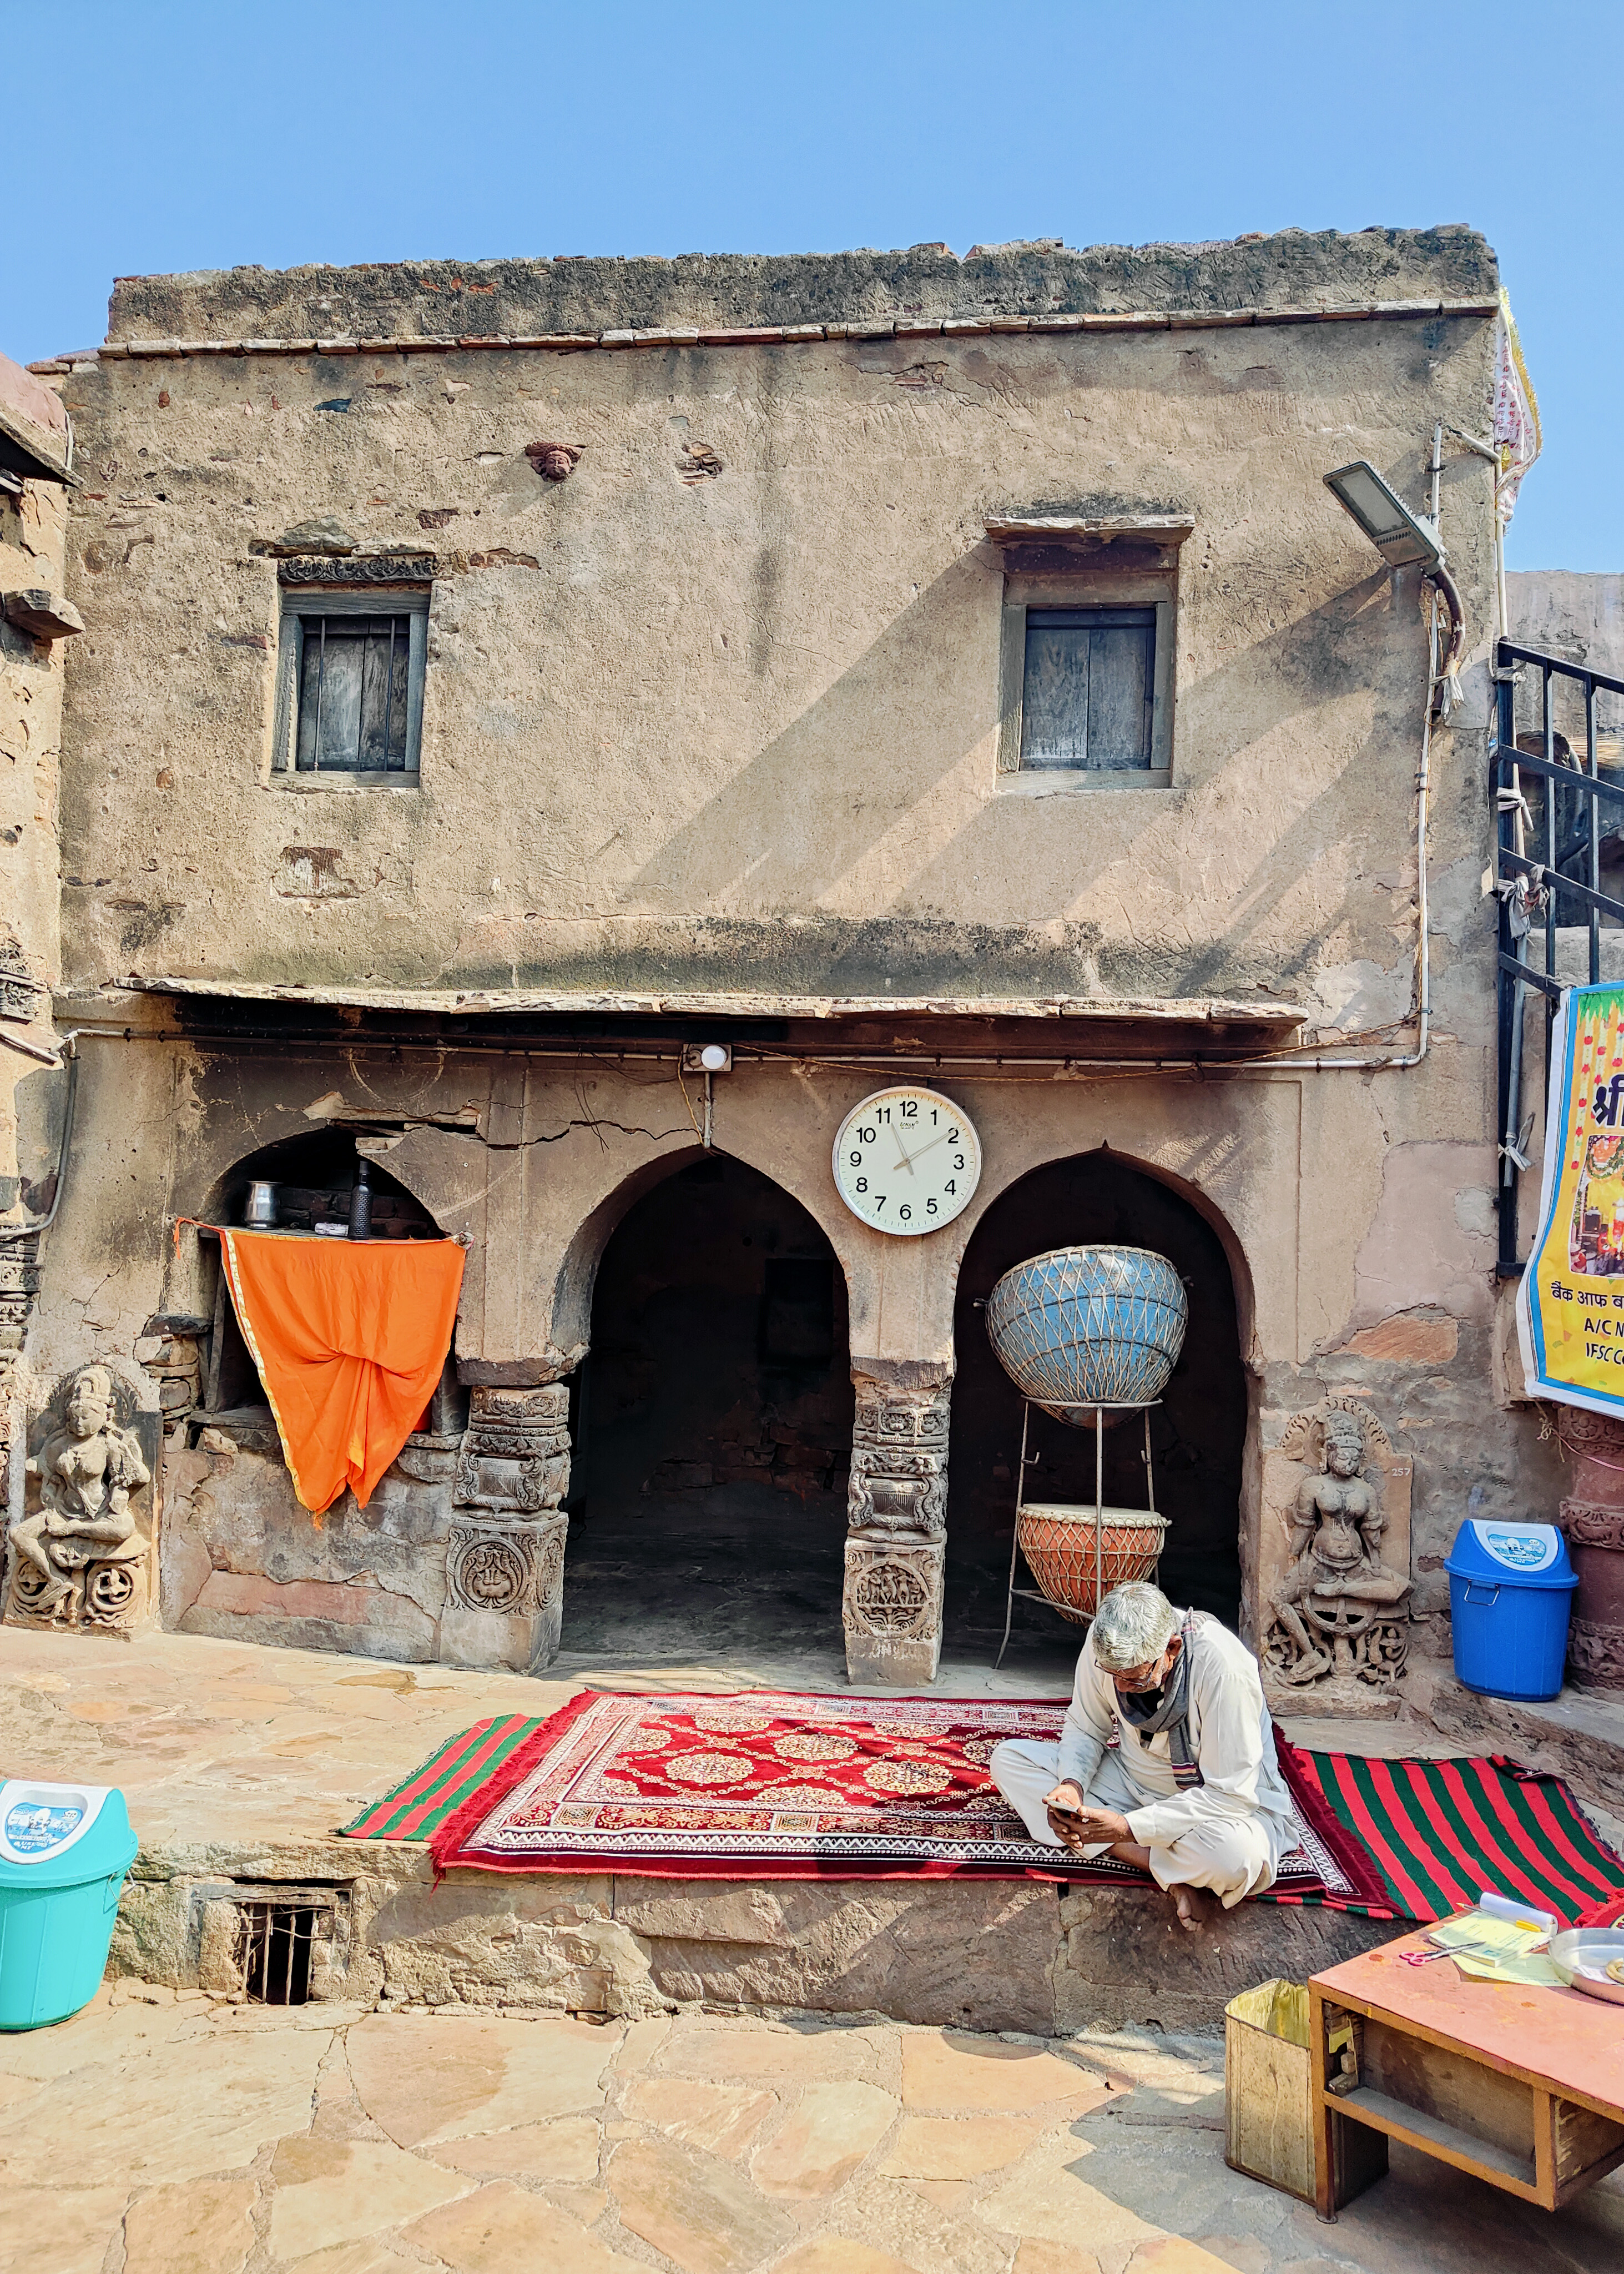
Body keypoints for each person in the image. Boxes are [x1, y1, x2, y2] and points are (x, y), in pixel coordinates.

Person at [988, 1581, 1294, 1930]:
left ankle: (1115, 1841)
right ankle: (1171, 1874)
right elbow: (1087, 1726)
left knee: (1234, 1857)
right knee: (1010, 1760)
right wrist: (1072, 1786)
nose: (1120, 1687)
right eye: (1113, 1675)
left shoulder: (1224, 1670)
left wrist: (1125, 1827)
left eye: (1134, 1680)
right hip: (1133, 1783)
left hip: (1216, 1809)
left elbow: (1231, 1796)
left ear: (1172, 1649)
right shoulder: (1104, 1645)